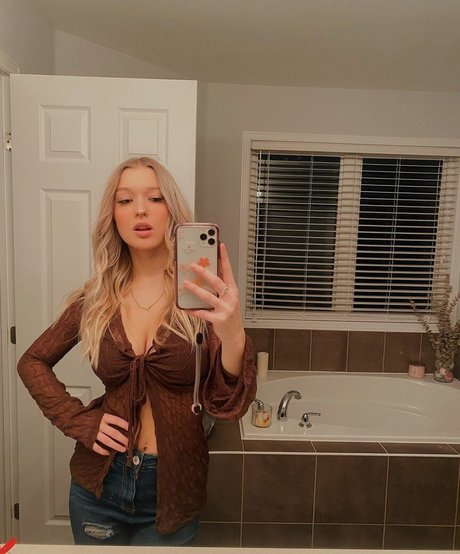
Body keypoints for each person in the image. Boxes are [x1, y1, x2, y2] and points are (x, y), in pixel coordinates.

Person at [17, 156, 257, 546]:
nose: (140, 210)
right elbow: (32, 361)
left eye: (155, 198)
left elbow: (227, 402)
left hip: (174, 487)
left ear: (172, 211)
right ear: (113, 216)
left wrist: (233, 337)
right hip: (99, 485)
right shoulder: (96, 300)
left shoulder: (201, 297)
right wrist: (79, 421)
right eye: (125, 200)